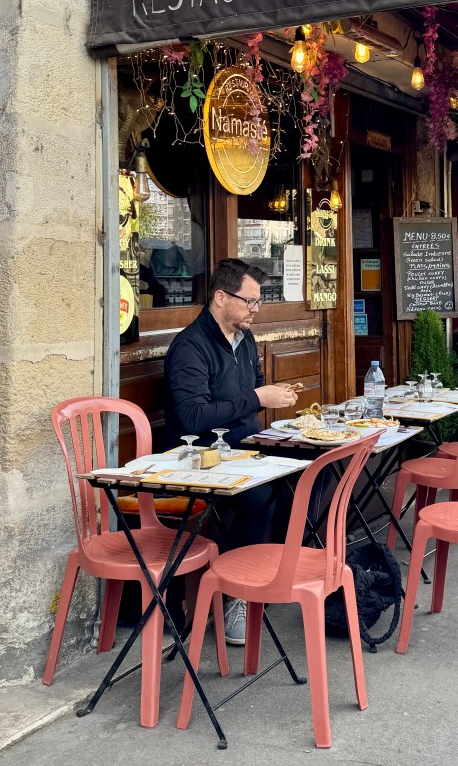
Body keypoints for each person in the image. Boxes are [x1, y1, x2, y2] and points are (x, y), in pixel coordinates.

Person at [164, 257, 298, 643]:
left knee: (310, 477)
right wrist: (258, 397)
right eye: (249, 301)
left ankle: (267, 574)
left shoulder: (245, 337)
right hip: (201, 458)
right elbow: (192, 418)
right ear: (221, 297)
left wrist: (272, 394)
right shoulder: (191, 347)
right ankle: (236, 595)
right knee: (261, 497)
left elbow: (253, 386)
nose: (256, 309)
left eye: (258, 302)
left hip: (245, 447)